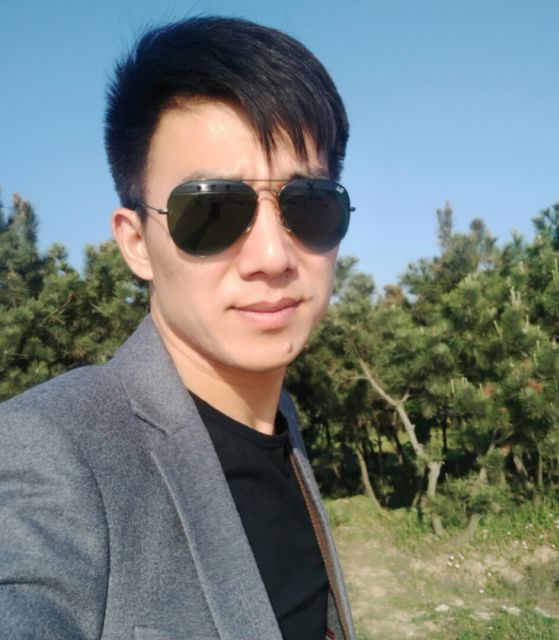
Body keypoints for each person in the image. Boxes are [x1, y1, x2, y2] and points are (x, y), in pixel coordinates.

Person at [0, 16, 355, 640]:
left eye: (308, 204)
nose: (272, 256)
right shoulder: (51, 451)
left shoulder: (278, 421)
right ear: (136, 242)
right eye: (212, 210)